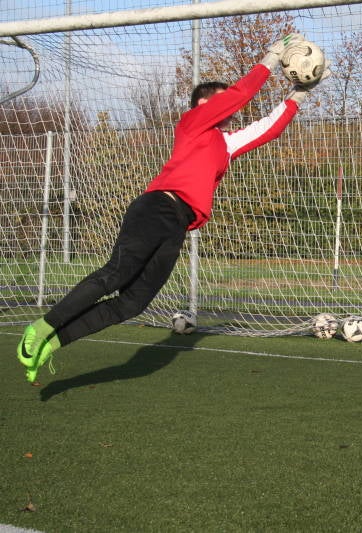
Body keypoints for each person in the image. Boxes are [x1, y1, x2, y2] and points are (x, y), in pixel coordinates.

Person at [17, 33, 329, 383]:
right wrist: (272, 57)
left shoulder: (225, 143)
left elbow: (268, 129)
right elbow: (240, 95)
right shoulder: (192, 122)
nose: (231, 109)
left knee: (133, 303)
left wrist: (301, 92)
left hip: (178, 224)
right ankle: (40, 327)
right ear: (204, 104)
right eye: (223, 101)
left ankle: (51, 343)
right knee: (116, 274)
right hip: (157, 208)